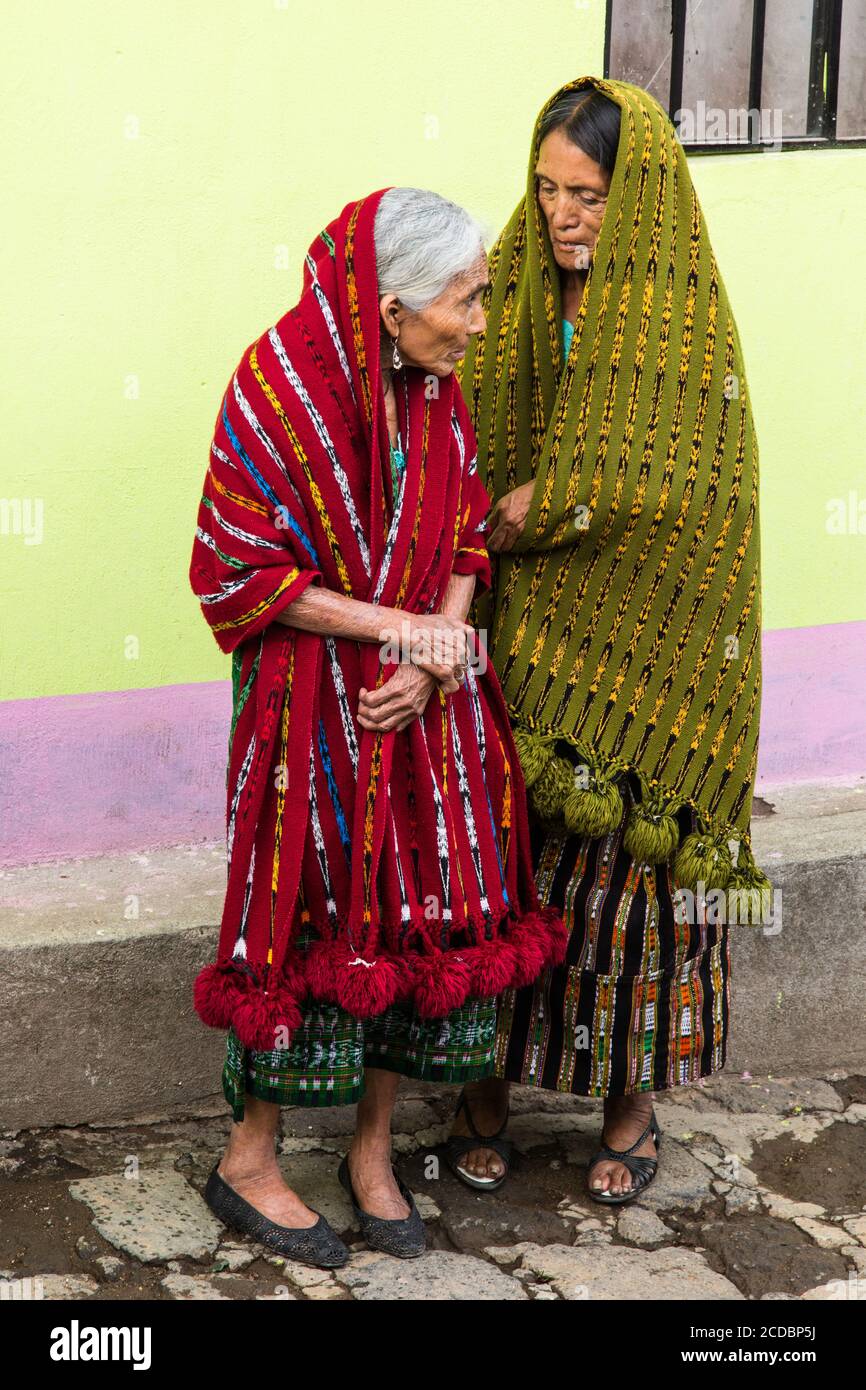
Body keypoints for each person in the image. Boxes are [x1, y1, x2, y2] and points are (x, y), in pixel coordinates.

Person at [188, 186, 565, 1266]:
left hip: (415, 709)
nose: (481, 321)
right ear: (390, 307)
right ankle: (250, 1156)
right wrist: (390, 628)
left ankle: (370, 1152)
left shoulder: (435, 388)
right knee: (305, 912)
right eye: (466, 300)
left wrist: (436, 651)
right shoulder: (276, 387)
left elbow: (461, 531)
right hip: (312, 708)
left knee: (407, 914)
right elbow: (237, 570)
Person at [449, 77, 771, 1204]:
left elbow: (688, 493)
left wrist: (557, 500)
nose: (559, 215)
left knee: (632, 892)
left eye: (583, 193)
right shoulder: (515, 291)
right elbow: (460, 428)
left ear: (633, 199)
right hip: (525, 644)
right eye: (543, 189)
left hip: (655, 654)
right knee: (509, 868)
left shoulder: (681, 322)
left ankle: (629, 1105)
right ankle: (482, 1086)